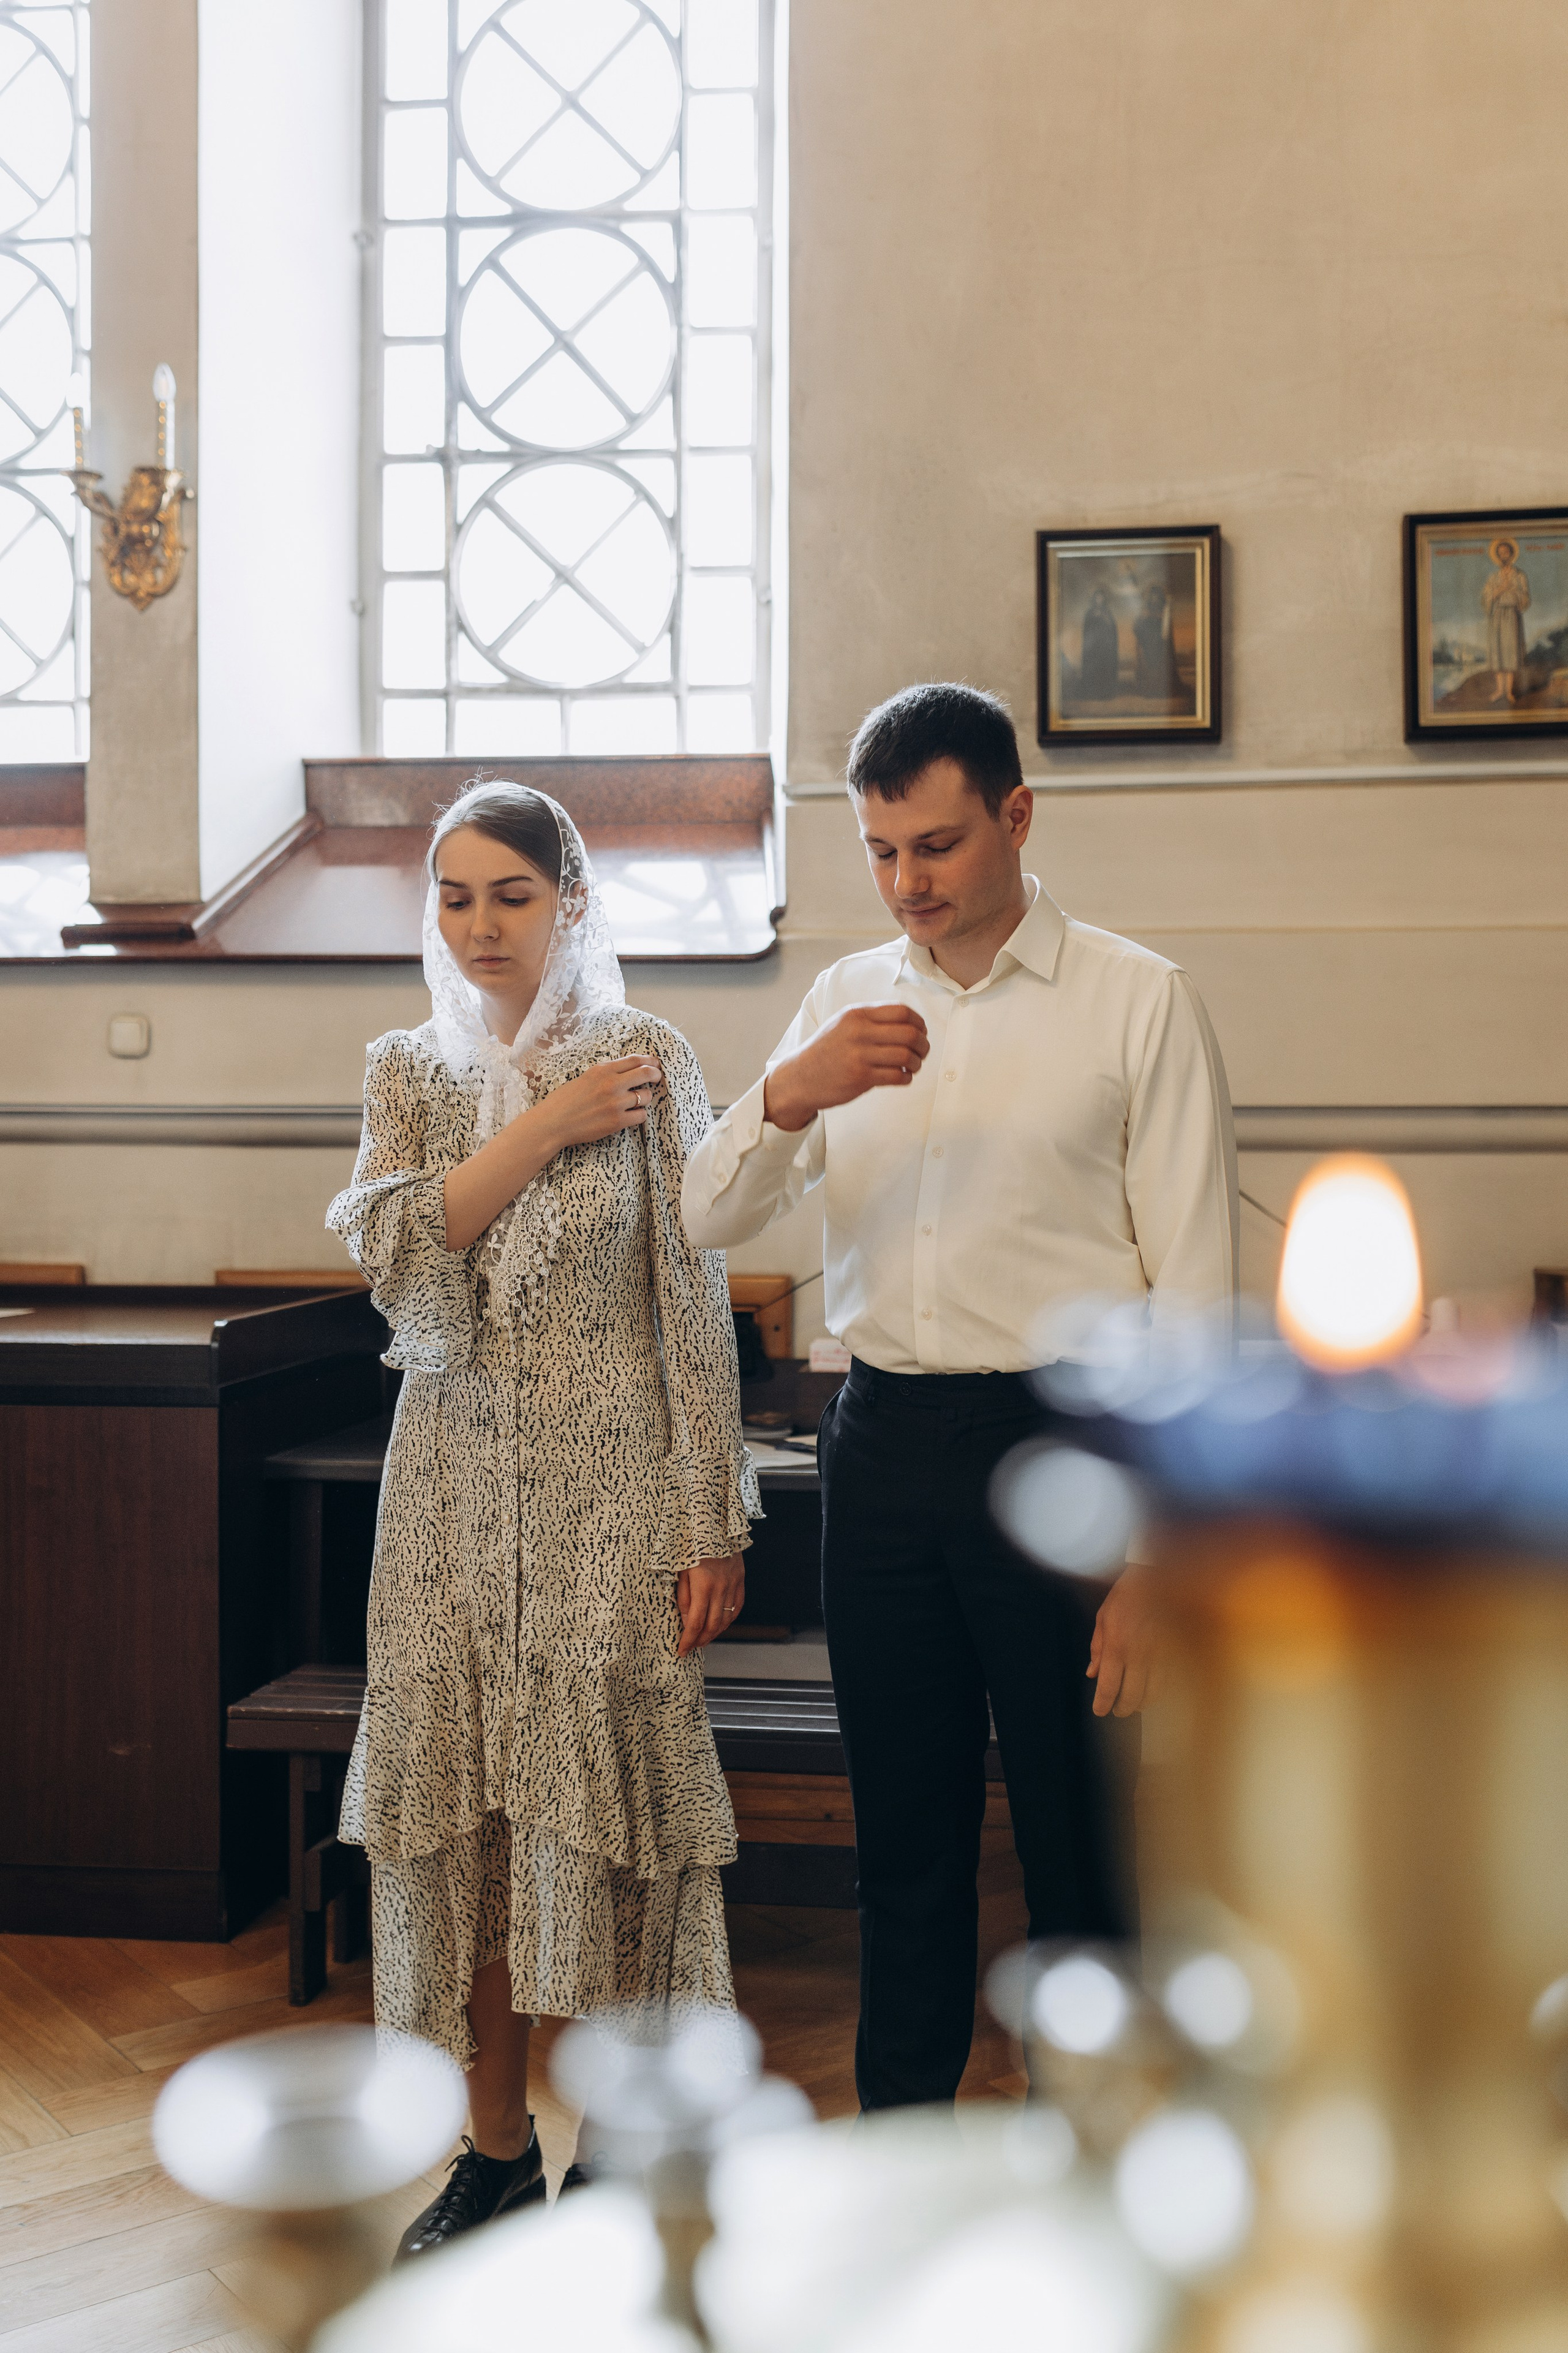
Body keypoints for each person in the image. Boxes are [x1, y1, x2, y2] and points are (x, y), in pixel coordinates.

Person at [682, 684, 1237, 2112]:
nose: (905, 882)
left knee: (1079, 1847)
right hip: (878, 1448)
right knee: (905, 1846)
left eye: (932, 845)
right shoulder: (834, 1005)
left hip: (1067, 1448)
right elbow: (700, 1214)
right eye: (878, 852)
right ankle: (898, 2165)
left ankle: (1105, 2171)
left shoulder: (1135, 998)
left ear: (1015, 814)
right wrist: (786, 1092)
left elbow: (1193, 1296)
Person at [327, 780, 758, 2255]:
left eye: (510, 891)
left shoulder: (647, 1054)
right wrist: (544, 1125)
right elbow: (401, 1262)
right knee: (476, 1839)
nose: (481, 924)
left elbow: (690, 1298)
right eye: (454, 896)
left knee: (610, 1828)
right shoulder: (407, 1067)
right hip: (445, 1501)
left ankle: (620, 2146)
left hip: (615, 1502)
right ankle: (493, 2147)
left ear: (571, 898)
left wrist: (716, 1514)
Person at [1482, 537, 1531, 704]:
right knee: (1498, 653)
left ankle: (1508, 692)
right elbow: (1486, 599)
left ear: (1511, 554)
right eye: (1500, 553)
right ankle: (1499, 690)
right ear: (1498, 556)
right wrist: (1499, 590)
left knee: (1510, 654)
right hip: (1498, 617)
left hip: (1511, 616)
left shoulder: (1519, 575)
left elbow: (1526, 599)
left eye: (1506, 552)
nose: (1503, 556)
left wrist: (1513, 591)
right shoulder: (1494, 577)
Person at [1077, 583, 1120, 700]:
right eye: (1097, 597)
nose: (1100, 599)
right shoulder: (1090, 613)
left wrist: (1105, 619)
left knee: (1105, 669)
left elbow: (1113, 629)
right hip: (1094, 648)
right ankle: (1093, 693)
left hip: (1105, 647)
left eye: (1101, 597)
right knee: (1094, 670)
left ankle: (1106, 693)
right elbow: (1087, 630)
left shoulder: (1108, 612)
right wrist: (1095, 618)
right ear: (1094, 599)